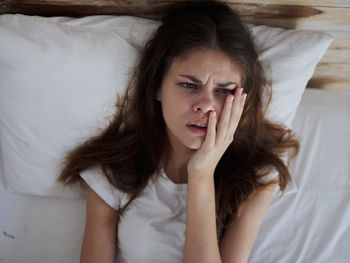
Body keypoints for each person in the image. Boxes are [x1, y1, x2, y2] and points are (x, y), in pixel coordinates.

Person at [58, 1, 299, 262]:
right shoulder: (113, 171)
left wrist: (201, 174)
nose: (205, 105)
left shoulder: (257, 177)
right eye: (188, 84)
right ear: (157, 87)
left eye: (225, 91)